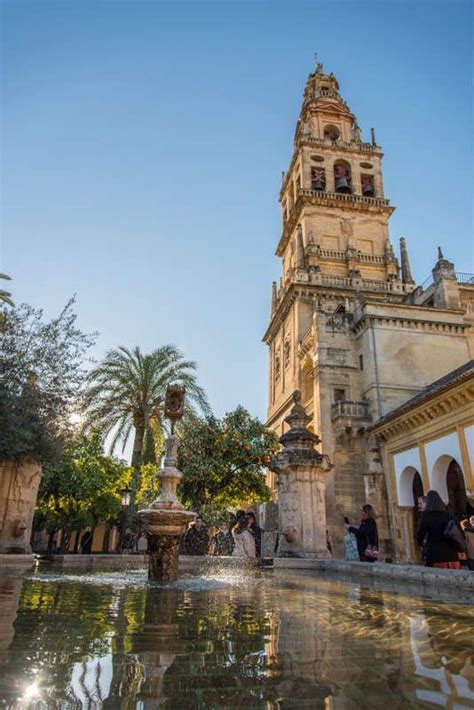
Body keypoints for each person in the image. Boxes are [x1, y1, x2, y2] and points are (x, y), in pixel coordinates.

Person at [416, 490, 461, 569]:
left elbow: (420, 535)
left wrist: (422, 545)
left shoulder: (426, 516)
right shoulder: (448, 514)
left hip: (435, 554)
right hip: (452, 554)